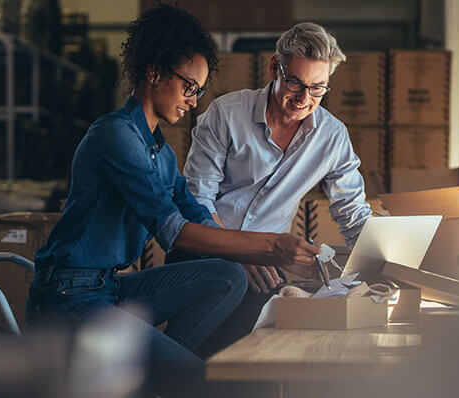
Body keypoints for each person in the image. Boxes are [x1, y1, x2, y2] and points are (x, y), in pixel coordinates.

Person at [25, 5, 320, 397]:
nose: (194, 101)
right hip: (67, 298)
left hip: (109, 290)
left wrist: (248, 257)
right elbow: (175, 233)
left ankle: (157, 380)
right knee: (198, 379)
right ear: (154, 72)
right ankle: (168, 378)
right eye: (189, 87)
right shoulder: (115, 136)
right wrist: (271, 246)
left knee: (228, 275)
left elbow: (194, 210)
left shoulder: (159, 152)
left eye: (198, 90)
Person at [178, 22, 373, 358]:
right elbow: (196, 200)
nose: (304, 98)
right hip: (203, 256)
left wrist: (384, 262)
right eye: (295, 82)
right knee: (198, 363)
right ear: (274, 68)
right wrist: (239, 251)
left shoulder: (332, 136)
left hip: (265, 270)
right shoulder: (225, 115)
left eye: (317, 88)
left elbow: (353, 215)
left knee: (267, 359)